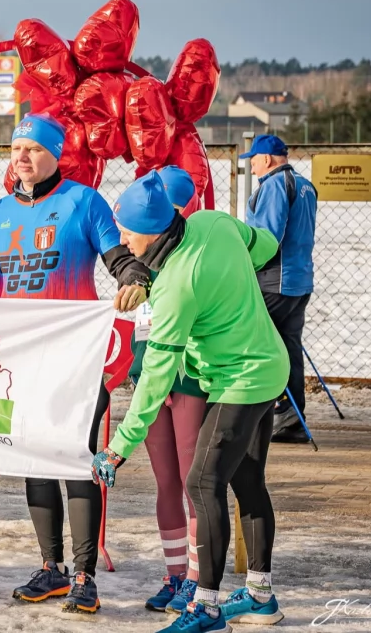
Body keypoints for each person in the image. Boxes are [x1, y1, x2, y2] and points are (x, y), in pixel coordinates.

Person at [92, 171, 289, 633]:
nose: (123, 241)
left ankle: (207, 608)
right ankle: (260, 596)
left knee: (202, 483)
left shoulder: (178, 288)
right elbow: (264, 246)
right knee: (247, 481)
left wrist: (118, 448)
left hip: (240, 380)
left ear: (153, 231)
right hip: (269, 365)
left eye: (127, 232)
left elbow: (156, 378)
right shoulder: (211, 223)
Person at [0, 114, 151, 614]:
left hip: (76, 356)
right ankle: (51, 567)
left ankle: (83, 574)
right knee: (34, 458)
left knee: (76, 459)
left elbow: (118, 257)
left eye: (33, 149)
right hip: (21, 358)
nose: (23, 157)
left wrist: (134, 274)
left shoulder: (83, 201)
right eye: (16, 149)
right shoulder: (0, 211)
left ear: (55, 154)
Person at [128, 167, 208, 614]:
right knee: (166, 484)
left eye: (174, 210)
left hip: (190, 379)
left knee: (194, 483)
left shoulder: (194, 254)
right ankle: (175, 574)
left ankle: (196, 579)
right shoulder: (141, 256)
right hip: (150, 376)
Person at [241, 134, 318, 444]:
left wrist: (244, 264)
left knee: (258, 344)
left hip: (276, 281)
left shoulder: (274, 186)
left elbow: (267, 239)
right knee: (288, 346)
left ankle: (265, 414)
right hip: (299, 280)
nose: (251, 166)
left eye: (253, 160)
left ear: (267, 159)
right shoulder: (304, 184)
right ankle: (291, 417)